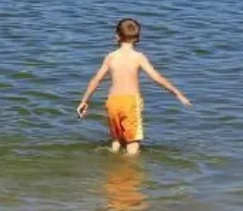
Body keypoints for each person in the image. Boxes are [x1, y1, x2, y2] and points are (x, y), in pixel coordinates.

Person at [76, 18, 192, 154]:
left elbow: (96, 80)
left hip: (112, 102)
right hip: (130, 102)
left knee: (116, 140)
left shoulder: (111, 57)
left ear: (117, 36)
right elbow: (156, 78)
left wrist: (84, 101)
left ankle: (112, 166)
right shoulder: (138, 57)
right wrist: (177, 93)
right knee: (133, 143)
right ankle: (130, 171)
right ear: (138, 38)